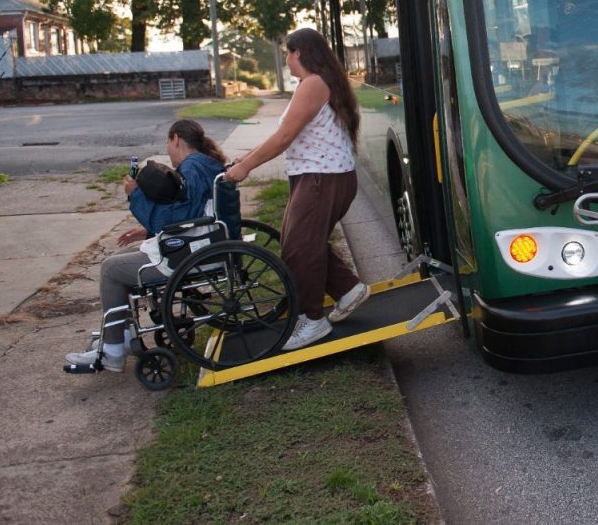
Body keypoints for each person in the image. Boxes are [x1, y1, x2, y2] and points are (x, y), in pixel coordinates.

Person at [223, 27, 369, 351]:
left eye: (288, 53)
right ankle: (348, 290)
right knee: (301, 242)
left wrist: (246, 167)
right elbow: (288, 135)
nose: (286, 60)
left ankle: (312, 320)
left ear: (299, 52)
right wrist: (243, 159)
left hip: (323, 178)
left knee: (299, 248)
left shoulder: (314, 83)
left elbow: (285, 136)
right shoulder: (312, 83)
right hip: (318, 177)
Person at [64, 119, 229, 372]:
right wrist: (147, 230)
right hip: (201, 242)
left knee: (111, 269)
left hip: (190, 252)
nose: (168, 150)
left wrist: (135, 194)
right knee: (123, 257)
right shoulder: (207, 164)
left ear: (175, 139)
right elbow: (190, 215)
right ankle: (123, 336)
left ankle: (113, 350)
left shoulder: (192, 167)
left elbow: (178, 218)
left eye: (168, 144)